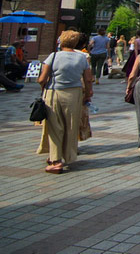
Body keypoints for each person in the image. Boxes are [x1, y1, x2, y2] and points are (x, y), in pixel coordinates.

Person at [37, 30, 93, 174]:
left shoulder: (53, 56)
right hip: (74, 93)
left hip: (54, 92)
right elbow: (88, 79)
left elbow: (42, 78)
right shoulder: (81, 58)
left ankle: (55, 160)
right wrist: (87, 94)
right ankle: (68, 156)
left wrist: (42, 85)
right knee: (71, 125)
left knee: (55, 126)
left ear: (61, 41)